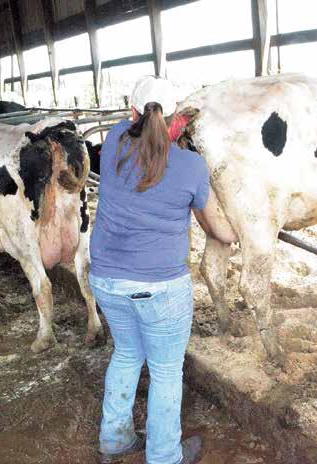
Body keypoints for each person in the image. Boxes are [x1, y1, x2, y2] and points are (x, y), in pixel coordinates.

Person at [89, 76, 209, 464]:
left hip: (107, 279)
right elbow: (209, 217)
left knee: (127, 353)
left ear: (132, 112)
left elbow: (141, 133)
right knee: (166, 371)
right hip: (162, 288)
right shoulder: (192, 165)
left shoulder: (112, 141)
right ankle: (164, 456)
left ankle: (114, 440)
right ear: (176, 120)